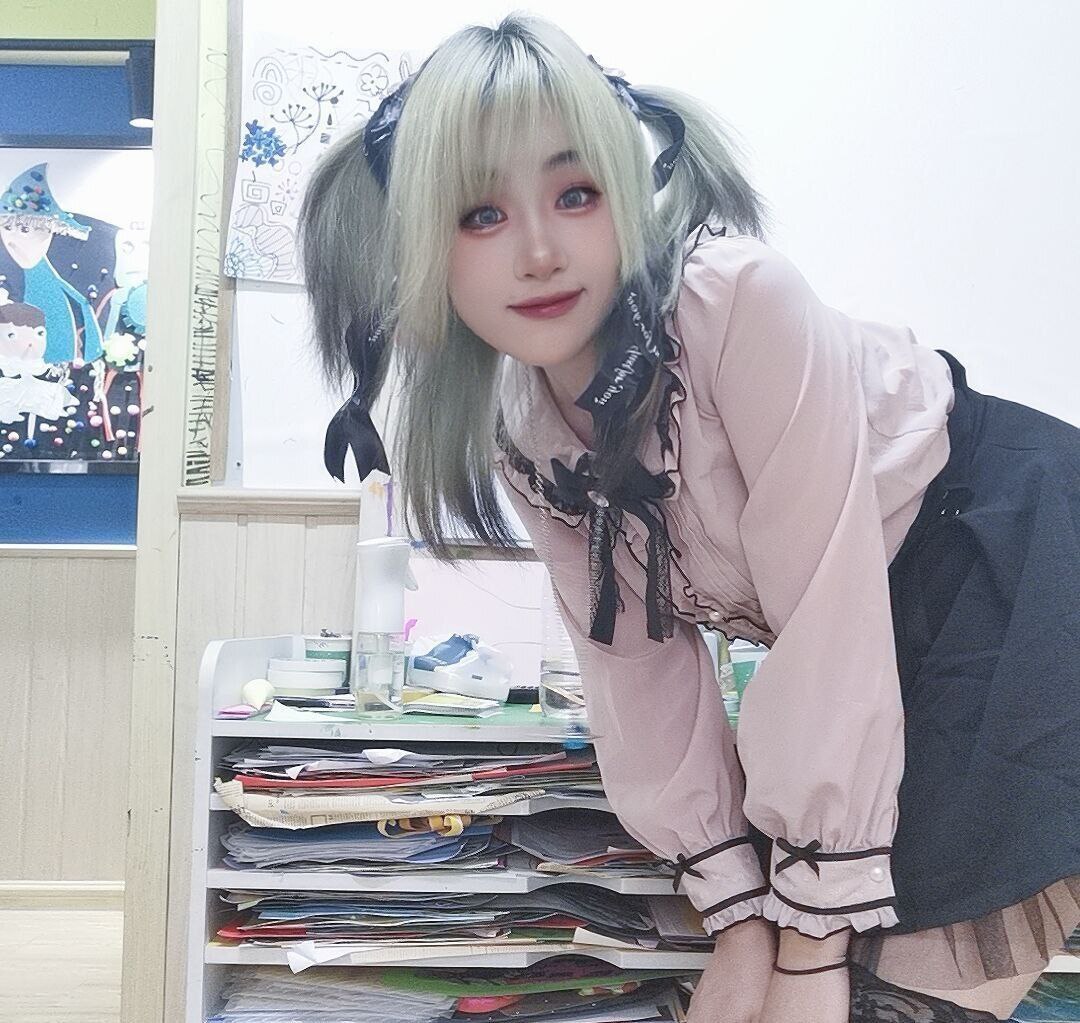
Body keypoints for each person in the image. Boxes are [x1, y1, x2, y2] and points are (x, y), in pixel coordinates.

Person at [298, 14, 1080, 1022]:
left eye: (576, 194)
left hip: (1017, 552)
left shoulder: (740, 302)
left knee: (891, 990)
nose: (539, 251)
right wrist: (739, 922)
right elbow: (635, 675)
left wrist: (806, 953)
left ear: (627, 192)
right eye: (479, 214)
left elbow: (824, 617)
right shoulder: (524, 428)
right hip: (876, 620)